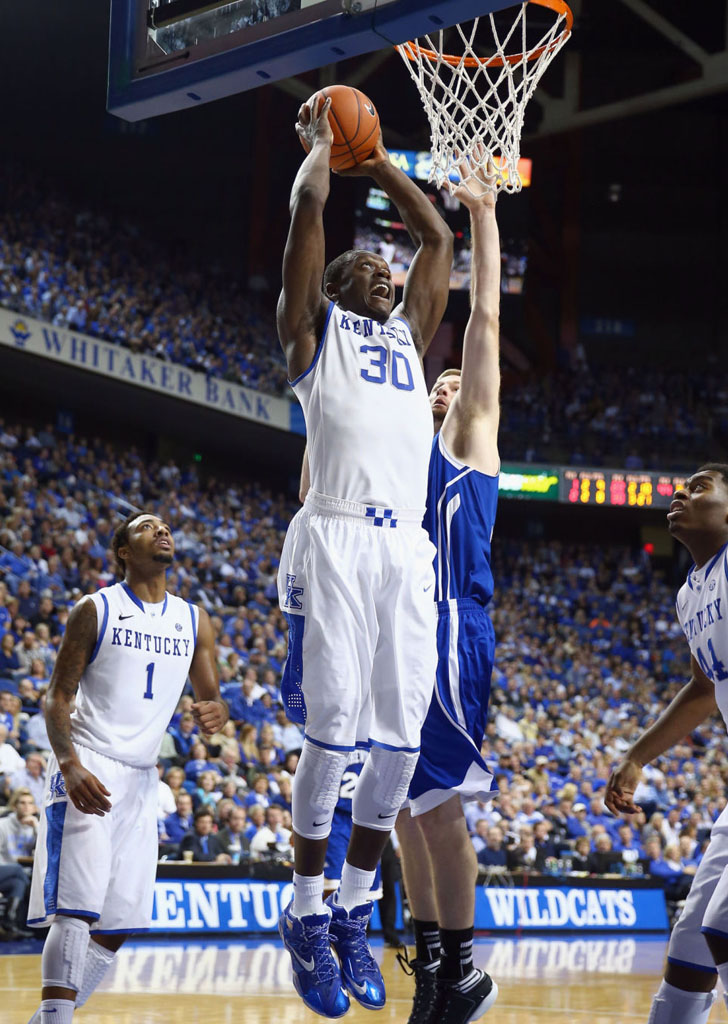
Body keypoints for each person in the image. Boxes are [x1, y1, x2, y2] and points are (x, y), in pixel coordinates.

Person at [276, 94, 452, 1018]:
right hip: (339, 533)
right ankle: (305, 912)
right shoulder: (314, 336)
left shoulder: (410, 342)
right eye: (368, 267)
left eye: (388, 271)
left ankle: (349, 911)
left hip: (406, 550)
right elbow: (309, 216)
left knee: (398, 743)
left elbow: (440, 245)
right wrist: (320, 149)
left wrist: (379, 160)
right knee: (334, 726)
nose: (386, 273)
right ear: (337, 284)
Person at [25, 511, 227, 1024]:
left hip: (142, 775)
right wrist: (68, 765)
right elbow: (57, 697)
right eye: (145, 527)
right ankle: (57, 1018)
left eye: (164, 526)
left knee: (117, 924)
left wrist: (215, 711)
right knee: (76, 911)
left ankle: (47, 1018)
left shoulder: (194, 619)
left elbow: (212, 700)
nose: (162, 530)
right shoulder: (95, 609)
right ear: (123, 551)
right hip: (89, 763)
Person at [395, 154, 501, 1024]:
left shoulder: (469, 444)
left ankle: (461, 968)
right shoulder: (404, 449)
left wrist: (479, 219)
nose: (451, 380)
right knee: (397, 805)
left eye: (460, 379)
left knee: (438, 811)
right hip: (398, 622)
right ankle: (434, 967)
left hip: (448, 627)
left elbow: (485, 323)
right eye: (442, 377)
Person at [605, 465, 728, 1024]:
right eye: (681, 486)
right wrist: (637, 755)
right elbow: (704, 688)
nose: (680, 493)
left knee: (722, 928)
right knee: (690, 952)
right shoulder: (689, 594)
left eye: (700, 486)